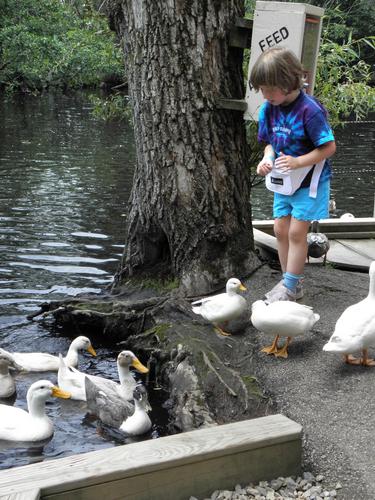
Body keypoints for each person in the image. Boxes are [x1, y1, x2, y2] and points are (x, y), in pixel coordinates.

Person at [249, 47, 336, 302]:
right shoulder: (268, 109)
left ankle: (289, 285)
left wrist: (299, 161)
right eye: (261, 89)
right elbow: (270, 143)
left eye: (269, 88)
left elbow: (329, 147)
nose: (264, 95)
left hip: (310, 181)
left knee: (297, 233)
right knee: (279, 229)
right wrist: (267, 159)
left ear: (287, 82)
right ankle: (290, 283)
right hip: (284, 180)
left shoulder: (310, 110)